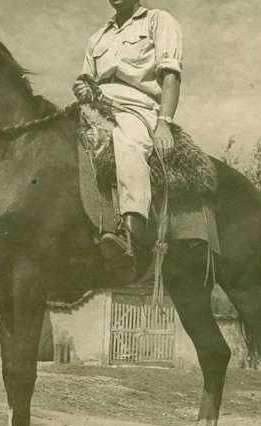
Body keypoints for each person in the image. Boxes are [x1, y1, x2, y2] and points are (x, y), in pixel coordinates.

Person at [73, 0, 183, 281]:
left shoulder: (158, 21)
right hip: (94, 105)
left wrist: (164, 124)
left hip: (136, 107)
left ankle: (130, 236)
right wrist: (82, 87)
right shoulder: (98, 37)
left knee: (128, 140)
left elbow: (170, 76)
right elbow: (85, 79)